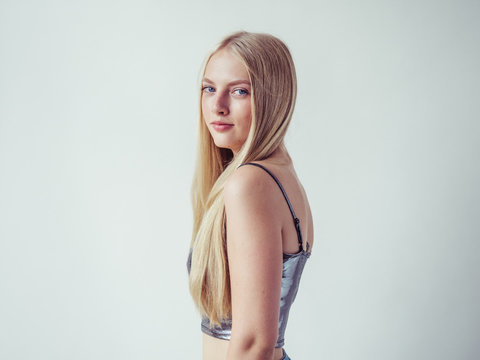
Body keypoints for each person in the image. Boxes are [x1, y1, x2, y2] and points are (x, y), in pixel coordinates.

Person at [186, 31, 313, 360]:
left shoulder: (249, 183)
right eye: (209, 88)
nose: (218, 105)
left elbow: (255, 341)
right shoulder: (281, 177)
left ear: (272, 99)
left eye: (239, 91)